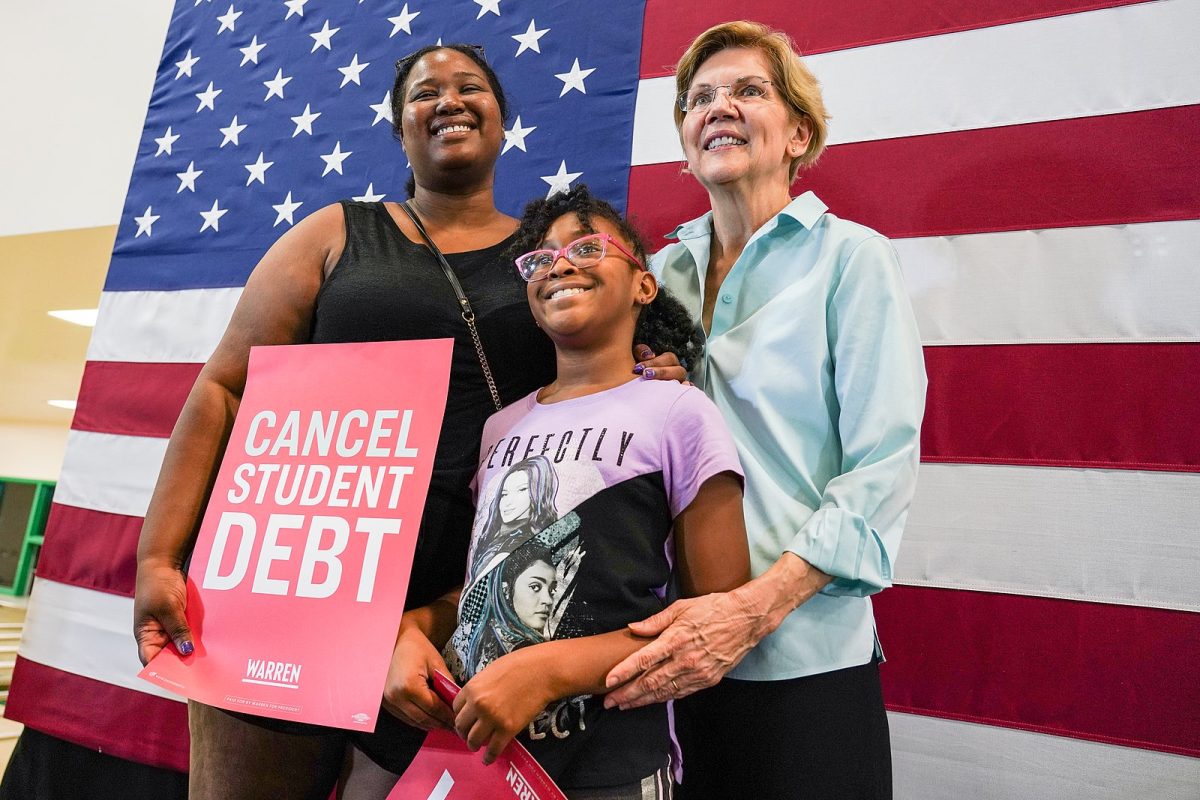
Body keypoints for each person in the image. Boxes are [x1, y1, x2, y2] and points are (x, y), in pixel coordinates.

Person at [131, 45, 683, 800]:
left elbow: (592, 383)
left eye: (470, 87)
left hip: (449, 622)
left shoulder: (545, 261)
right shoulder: (335, 233)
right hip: (289, 593)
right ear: (399, 128)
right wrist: (157, 556)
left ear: (502, 121)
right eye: (426, 92)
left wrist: (651, 376)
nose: (449, 100)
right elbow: (224, 389)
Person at [603, 21, 928, 799]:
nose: (720, 107)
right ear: (684, 141)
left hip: (804, 659)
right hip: (664, 652)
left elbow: (879, 471)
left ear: (799, 134)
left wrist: (752, 611)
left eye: (749, 91)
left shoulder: (852, 259)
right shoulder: (651, 275)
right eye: (700, 99)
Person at [379, 185, 752, 799]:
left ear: (644, 285)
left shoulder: (678, 412)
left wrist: (548, 671)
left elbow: (716, 623)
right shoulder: (502, 427)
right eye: (540, 259)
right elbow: (487, 579)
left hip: (610, 765)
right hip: (480, 760)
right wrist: (409, 630)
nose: (560, 263)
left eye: (587, 245)